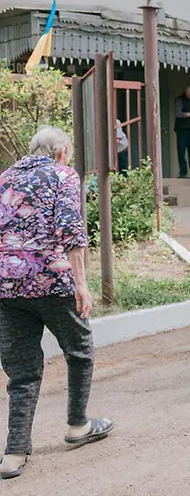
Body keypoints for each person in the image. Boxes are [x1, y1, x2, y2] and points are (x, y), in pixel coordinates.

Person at [0, 127, 115, 480]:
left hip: (5, 284)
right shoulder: (63, 174)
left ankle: (14, 454)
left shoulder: (4, 177)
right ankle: (78, 425)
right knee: (79, 350)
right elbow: (71, 230)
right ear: (62, 151)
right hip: (50, 280)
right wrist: (81, 284)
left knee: (22, 371)